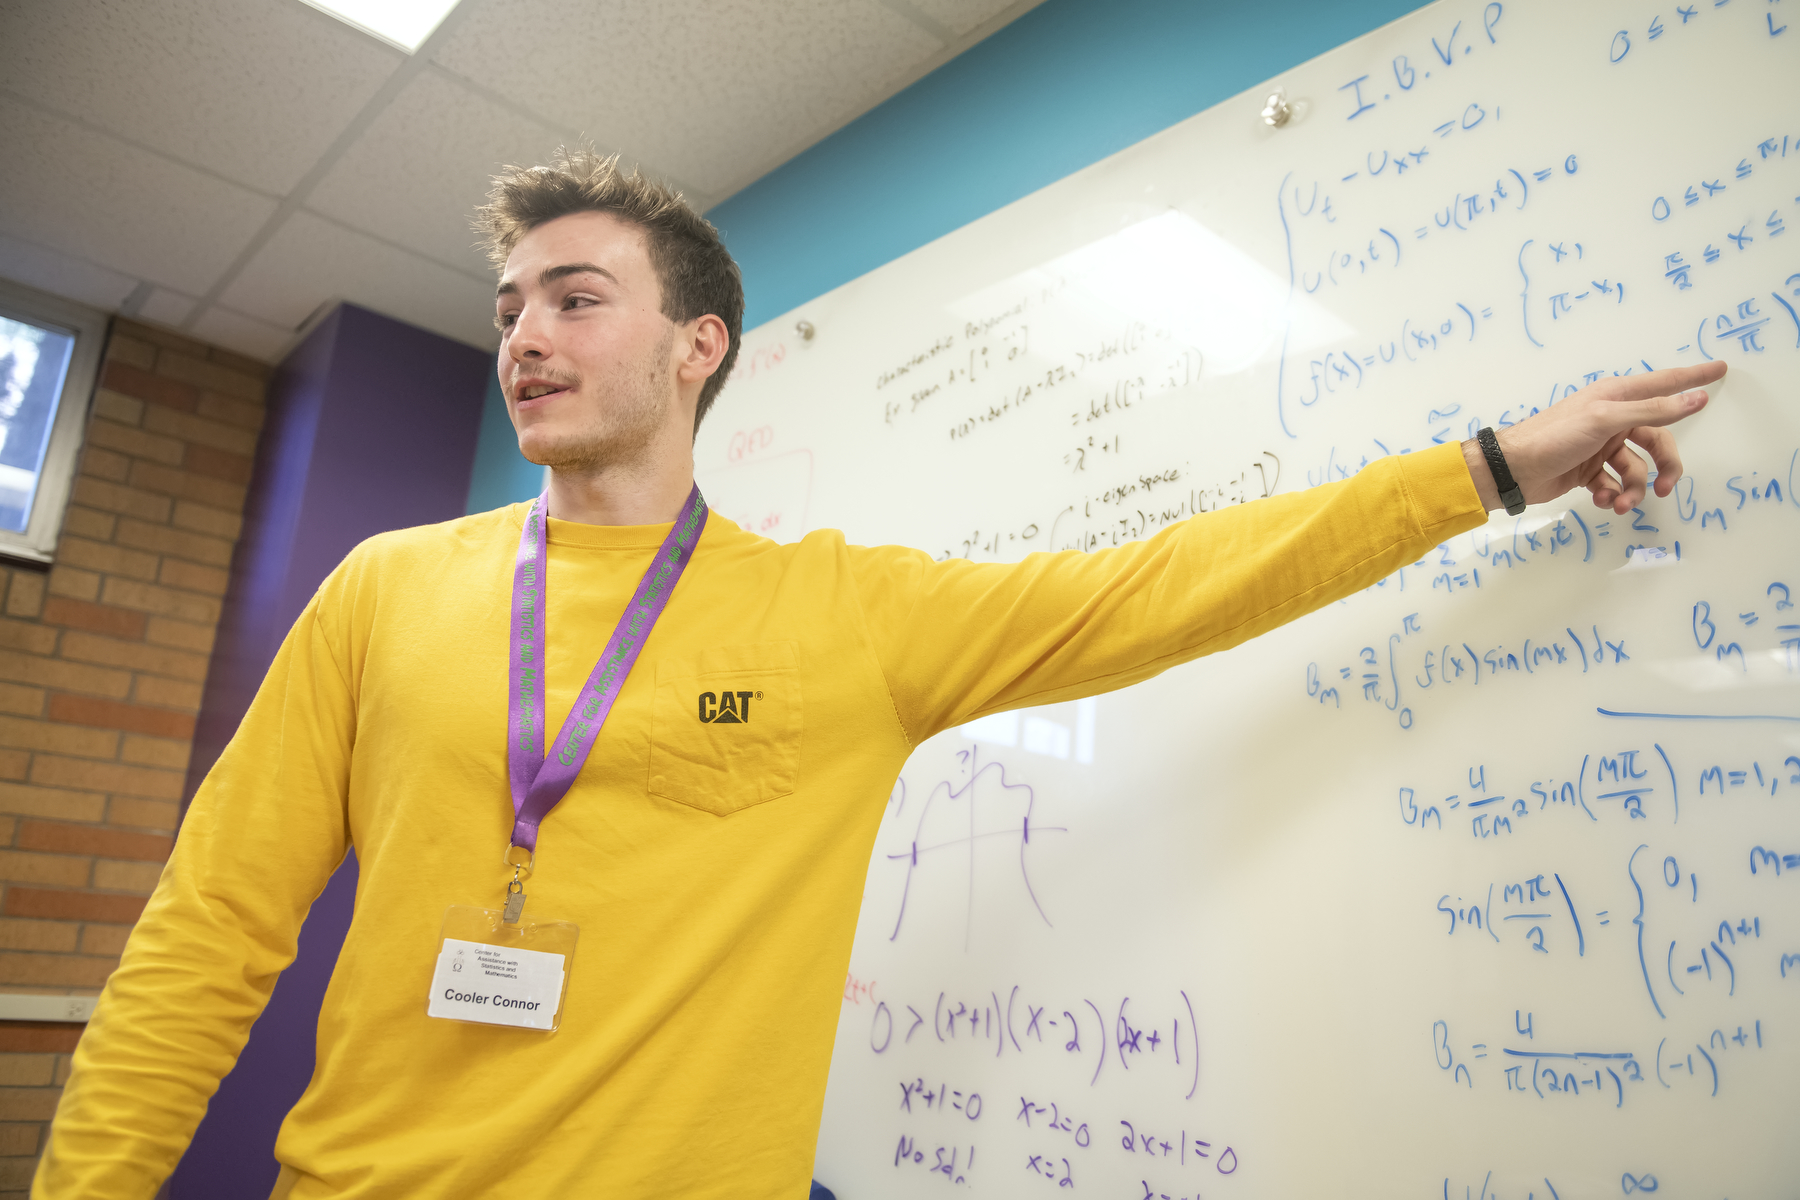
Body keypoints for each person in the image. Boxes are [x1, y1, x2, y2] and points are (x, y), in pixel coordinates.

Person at [35, 147, 1724, 1198]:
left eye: (573, 298)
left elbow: (1169, 585)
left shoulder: (846, 618)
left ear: (699, 346)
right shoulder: (384, 590)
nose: (523, 341)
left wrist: (1491, 465)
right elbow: (208, 937)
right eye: (505, 309)